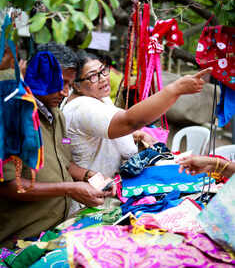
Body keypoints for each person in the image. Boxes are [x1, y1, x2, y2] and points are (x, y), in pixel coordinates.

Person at [0, 50, 113, 249]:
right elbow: (9, 186)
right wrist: (70, 189)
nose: (64, 92)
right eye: (58, 83)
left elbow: (64, 162)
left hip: (53, 231)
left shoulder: (56, 115)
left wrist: (91, 176)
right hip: (21, 240)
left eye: (69, 84)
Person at [63, 51, 212, 178]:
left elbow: (102, 131)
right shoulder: (81, 108)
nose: (102, 78)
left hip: (108, 186)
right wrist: (175, 89)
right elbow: (129, 122)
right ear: (76, 85)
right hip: (92, 196)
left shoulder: (99, 97)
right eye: (93, 76)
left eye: (103, 71)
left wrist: (138, 134)